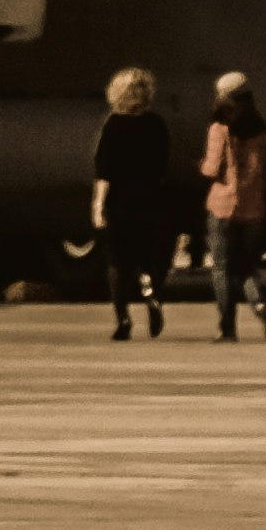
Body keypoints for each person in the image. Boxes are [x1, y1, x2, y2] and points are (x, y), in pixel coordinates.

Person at [198, 71, 266, 341]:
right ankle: (258, 302)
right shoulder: (264, 130)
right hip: (253, 208)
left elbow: (212, 169)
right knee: (246, 266)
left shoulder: (219, 128)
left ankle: (227, 328)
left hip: (222, 207)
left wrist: (200, 166)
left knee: (222, 268)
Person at [87, 68, 173, 340]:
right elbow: (162, 165)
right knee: (150, 256)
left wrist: (98, 205)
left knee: (118, 261)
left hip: (121, 202)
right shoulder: (157, 124)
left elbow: (104, 171)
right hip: (152, 198)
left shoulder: (113, 125)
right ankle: (149, 287)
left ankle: (123, 318)